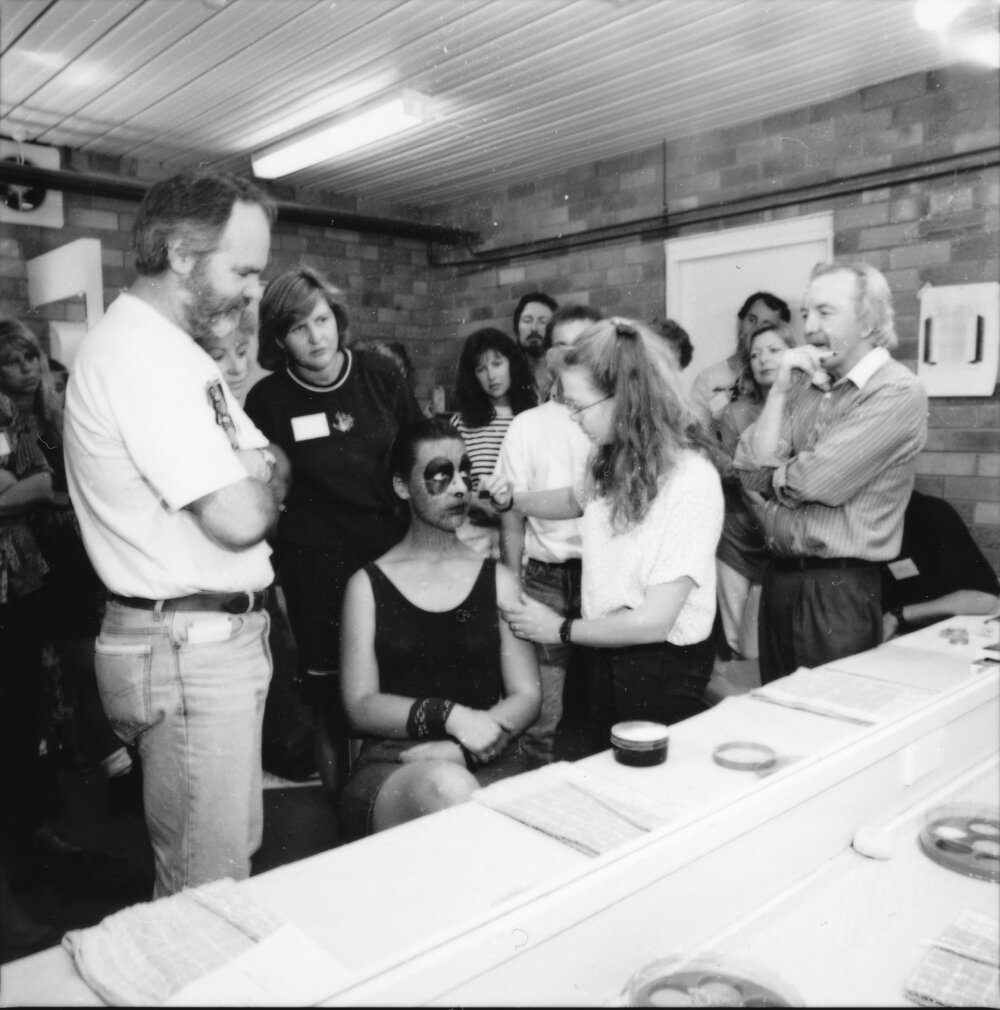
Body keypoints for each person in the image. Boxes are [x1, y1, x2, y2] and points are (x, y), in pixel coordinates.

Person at [64, 170, 289, 898]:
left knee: (225, 861)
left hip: (210, 640)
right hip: (187, 645)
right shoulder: (140, 355)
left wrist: (258, 469)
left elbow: (272, 461)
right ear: (182, 254)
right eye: (244, 270)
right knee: (205, 886)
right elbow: (242, 515)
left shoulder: (180, 353)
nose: (256, 291)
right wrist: (256, 472)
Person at [484, 317, 724, 747]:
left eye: (577, 405)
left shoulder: (691, 479)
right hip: (600, 646)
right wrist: (512, 501)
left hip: (658, 665)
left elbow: (654, 621)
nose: (571, 417)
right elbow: (576, 501)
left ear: (626, 398)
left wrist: (558, 629)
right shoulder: (609, 455)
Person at [244, 267, 424, 795]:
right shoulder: (268, 402)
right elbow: (265, 496)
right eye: (299, 327)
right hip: (316, 568)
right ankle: (344, 811)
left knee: (399, 683)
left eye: (322, 320)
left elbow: (417, 456)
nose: (316, 336)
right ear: (279, 339)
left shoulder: (379, 375)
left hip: (391, 556)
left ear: (337, 319)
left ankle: (401, 797)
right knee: (330, 700)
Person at [339, 418, 540, 841]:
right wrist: (448, 716)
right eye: (438, 475)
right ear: (401, 486)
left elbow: (527, 694)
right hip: (398, 764)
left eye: (464, 471)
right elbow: (359, 704)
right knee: (448, 789)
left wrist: (465, 746)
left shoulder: (498, 578)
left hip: (489, 752)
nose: (459, 488)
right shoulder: (367, 585)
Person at [734, 262, 928, 683]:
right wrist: (781, 389)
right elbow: (748, 467)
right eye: (805, 314)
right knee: (782, 727)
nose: (810, 327)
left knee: (829, 729)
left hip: (837, 593)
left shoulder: (896, 390)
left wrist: (776, 476)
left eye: (825, 312)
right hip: (782, 583)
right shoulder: (805, 385)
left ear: (869, 319)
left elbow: (816, 481)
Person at [0, 320, 139, 805]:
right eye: (12, 361)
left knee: (86, 665)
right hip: (31, 559)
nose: (26, 369)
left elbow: (55, 485)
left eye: (30, 357)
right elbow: (44, 490)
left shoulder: (51, 419)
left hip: (69, 552)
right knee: (53, 674)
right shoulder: (14, 424)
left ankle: (120, 769)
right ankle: (108, 771)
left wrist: (49, 496)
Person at [492, 305, 600, 766]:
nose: (575, 353)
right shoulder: (527, 425)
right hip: (546, 580)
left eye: (587, 343)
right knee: (542, 717)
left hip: (605, 580)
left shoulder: (613, 419)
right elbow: (511, 514)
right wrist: (512, 583)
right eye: (565, 344)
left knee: (601, 708)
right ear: (550, 353)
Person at [714, 321, 798, 663]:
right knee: (738, 642)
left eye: (774, 350)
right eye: (756, 354)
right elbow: (742, 478)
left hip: (786, 537)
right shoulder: (735, 412)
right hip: (739, 537)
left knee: (773, 637)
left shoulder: (806, 408)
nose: (764, 359)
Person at [449, 328, 536, 557]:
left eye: (497, 364)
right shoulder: (462, 422)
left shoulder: (531, 417)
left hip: (521, 533)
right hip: (474, 533)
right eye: (481, 369)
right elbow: (450, 480)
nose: (491, 376)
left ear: (512, 364)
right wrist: (474, 501)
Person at [882, 490, 999, 640]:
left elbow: (985, 600)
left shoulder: (930, 513)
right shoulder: (858, 525)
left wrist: (898, 616)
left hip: (941, 640)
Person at [689, 292, 791, 437]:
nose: (756, 329)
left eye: (766, 325)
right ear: (740, 322)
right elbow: (697, 434)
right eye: (752, 320)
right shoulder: (708, 378)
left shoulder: (786, 380)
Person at [512, 291, 558, 396]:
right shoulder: (508, 373)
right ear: (516, 327)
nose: (533, 328)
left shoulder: (564, 372)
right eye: (527, 321)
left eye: (542, 321)